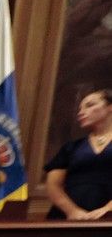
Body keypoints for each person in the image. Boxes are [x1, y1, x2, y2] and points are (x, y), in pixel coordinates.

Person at [44, 89, 112, 220]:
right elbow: (53, 185)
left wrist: (107, 209)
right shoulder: (71, 147)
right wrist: (72, 211)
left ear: (110, 107)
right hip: (68, 217)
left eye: (90, 105)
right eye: (80, 108)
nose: (81, 112)